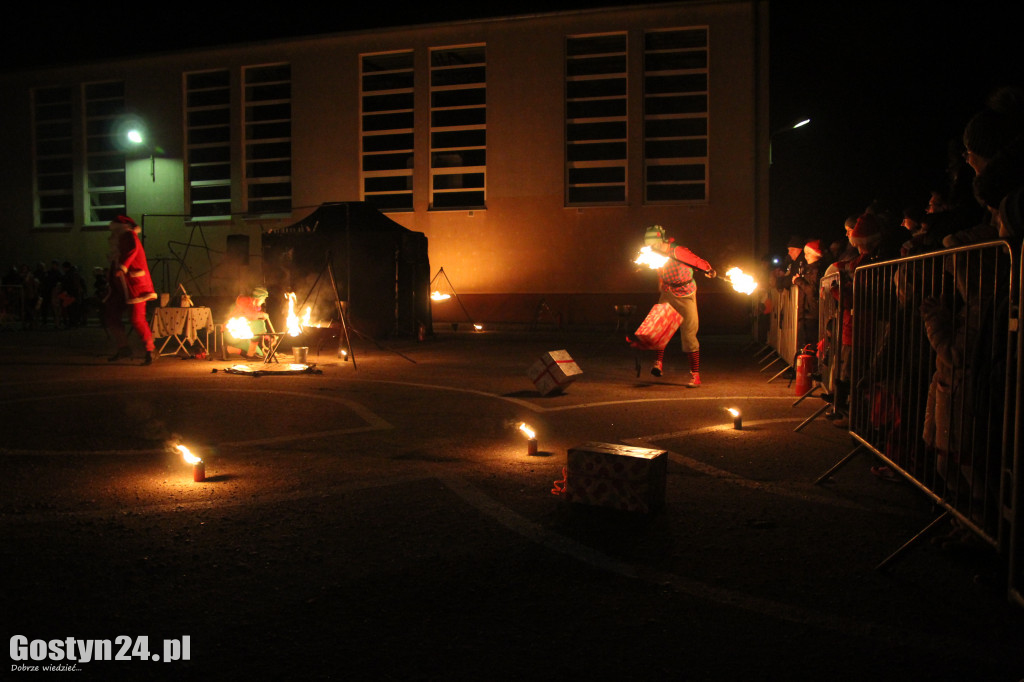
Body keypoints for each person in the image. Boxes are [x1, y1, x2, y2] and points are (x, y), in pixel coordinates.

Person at [639, 224, 716, 387]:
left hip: (686, 294)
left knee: (689, 335)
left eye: (652, 244)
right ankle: (658, 363)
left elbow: (696, 261)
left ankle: (695, 375)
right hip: (668, 292)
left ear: (660, 240)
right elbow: (659, 270)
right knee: (658, 327)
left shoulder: (678, 251)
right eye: (648, 245)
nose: (650, 248)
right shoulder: (654, 253)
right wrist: (660, 282)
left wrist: (708, 269)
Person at [104, 215, 157, 364]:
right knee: (111, 315)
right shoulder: (119, 239)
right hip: (120, 286)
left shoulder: (128, 235)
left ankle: (150, 349)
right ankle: (123, 348)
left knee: (136, 318)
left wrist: (123, 267)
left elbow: (132, 251)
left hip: (135, 285)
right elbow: (117, 259)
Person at [227, 286, 271, 358]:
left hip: (243, 334)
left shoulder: (254, 306)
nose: (263, 301)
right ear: (258, 297)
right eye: (263, 299)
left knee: (260, 355)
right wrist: (262, 314)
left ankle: (229, 349)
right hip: (231, 332)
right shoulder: (244, 300)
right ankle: (250, 354)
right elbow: (250, 316)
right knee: (259, 323)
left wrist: (266, 336)